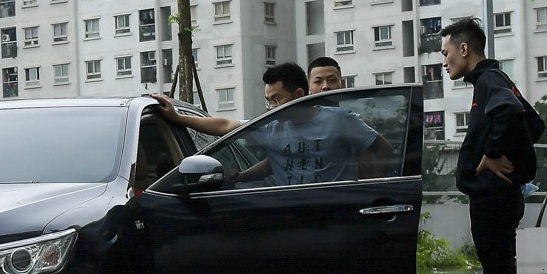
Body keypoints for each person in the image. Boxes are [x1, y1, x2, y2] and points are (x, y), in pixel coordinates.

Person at [443, 16, 537, 274]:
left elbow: (512, 112)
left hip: (493, 197)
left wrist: (494, 153)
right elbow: (535, 124)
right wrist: (510, 149)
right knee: (505, 272)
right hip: (502, 195)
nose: (445, 62)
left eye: (447, 53)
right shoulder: (496, 79)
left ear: (464, 48)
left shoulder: (489, 81)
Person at [151, 63, 388, 184]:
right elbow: (225, 126)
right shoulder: (271, 125)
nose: (272, 107)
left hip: (336, 212)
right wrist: (178, 118)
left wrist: (366, 189)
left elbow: (382, 149)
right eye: (268, 101)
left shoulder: (340, 120)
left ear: (298, 94)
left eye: (277, 99)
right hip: (289, 214)